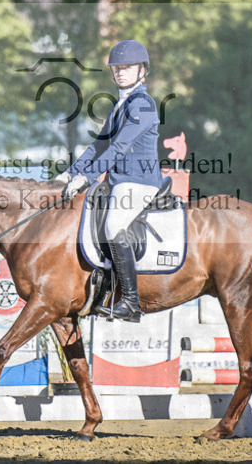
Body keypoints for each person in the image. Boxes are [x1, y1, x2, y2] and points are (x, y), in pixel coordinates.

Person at [54, 40, 163, 322]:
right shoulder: (121, 104)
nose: (120, 72)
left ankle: (130, 302)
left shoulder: (144, 105)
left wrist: (87, 177)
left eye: (127, 67)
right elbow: (100, 144)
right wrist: (71, 173)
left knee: (115, 225)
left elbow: (118, 149)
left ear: (142, 70)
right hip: (119, 182)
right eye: (117, 68)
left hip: (139, 182)